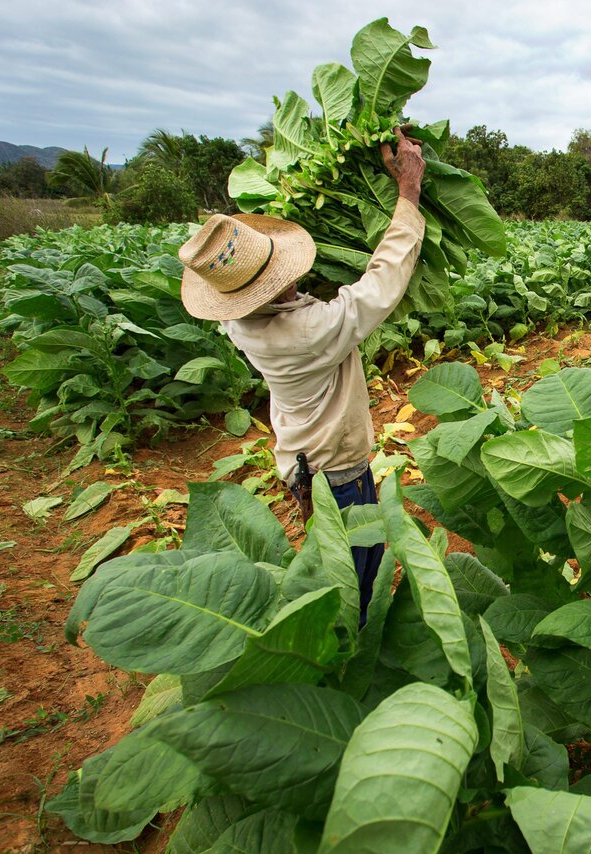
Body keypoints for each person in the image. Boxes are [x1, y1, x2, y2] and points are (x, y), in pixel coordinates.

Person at [177, 128, 427, 624]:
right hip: (336, 473)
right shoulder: (306, 332)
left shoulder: (237, 320)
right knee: (356, 578)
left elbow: (291, 296)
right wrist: (407, 195)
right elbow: (379, 285)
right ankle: (347, 659)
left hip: (301, 462)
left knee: (332, 562)